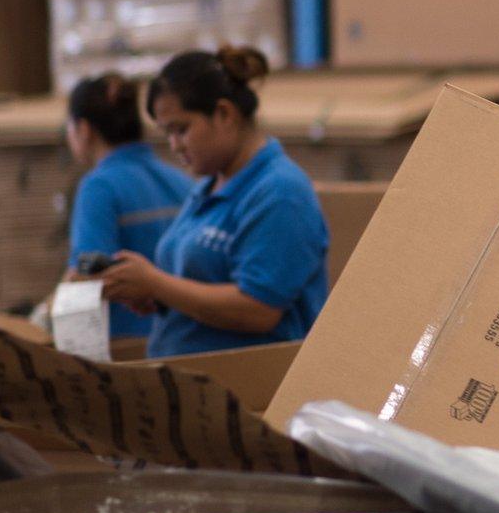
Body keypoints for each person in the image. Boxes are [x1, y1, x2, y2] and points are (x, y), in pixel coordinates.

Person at [100, 47, 330, 359]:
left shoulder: (279, 192)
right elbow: (200, 282)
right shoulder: (209, 186)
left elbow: (259, 309)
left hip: (250, 392)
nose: (174, 146)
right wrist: (154, 295)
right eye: (167, 134)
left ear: (224, 114)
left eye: (181, 130)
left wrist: (157, 284)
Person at [63, 73, 194, 340]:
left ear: (84, 130)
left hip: (127, 351)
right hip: (182, 339)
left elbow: (85, 282)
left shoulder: (98, 187)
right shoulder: (183, 182)